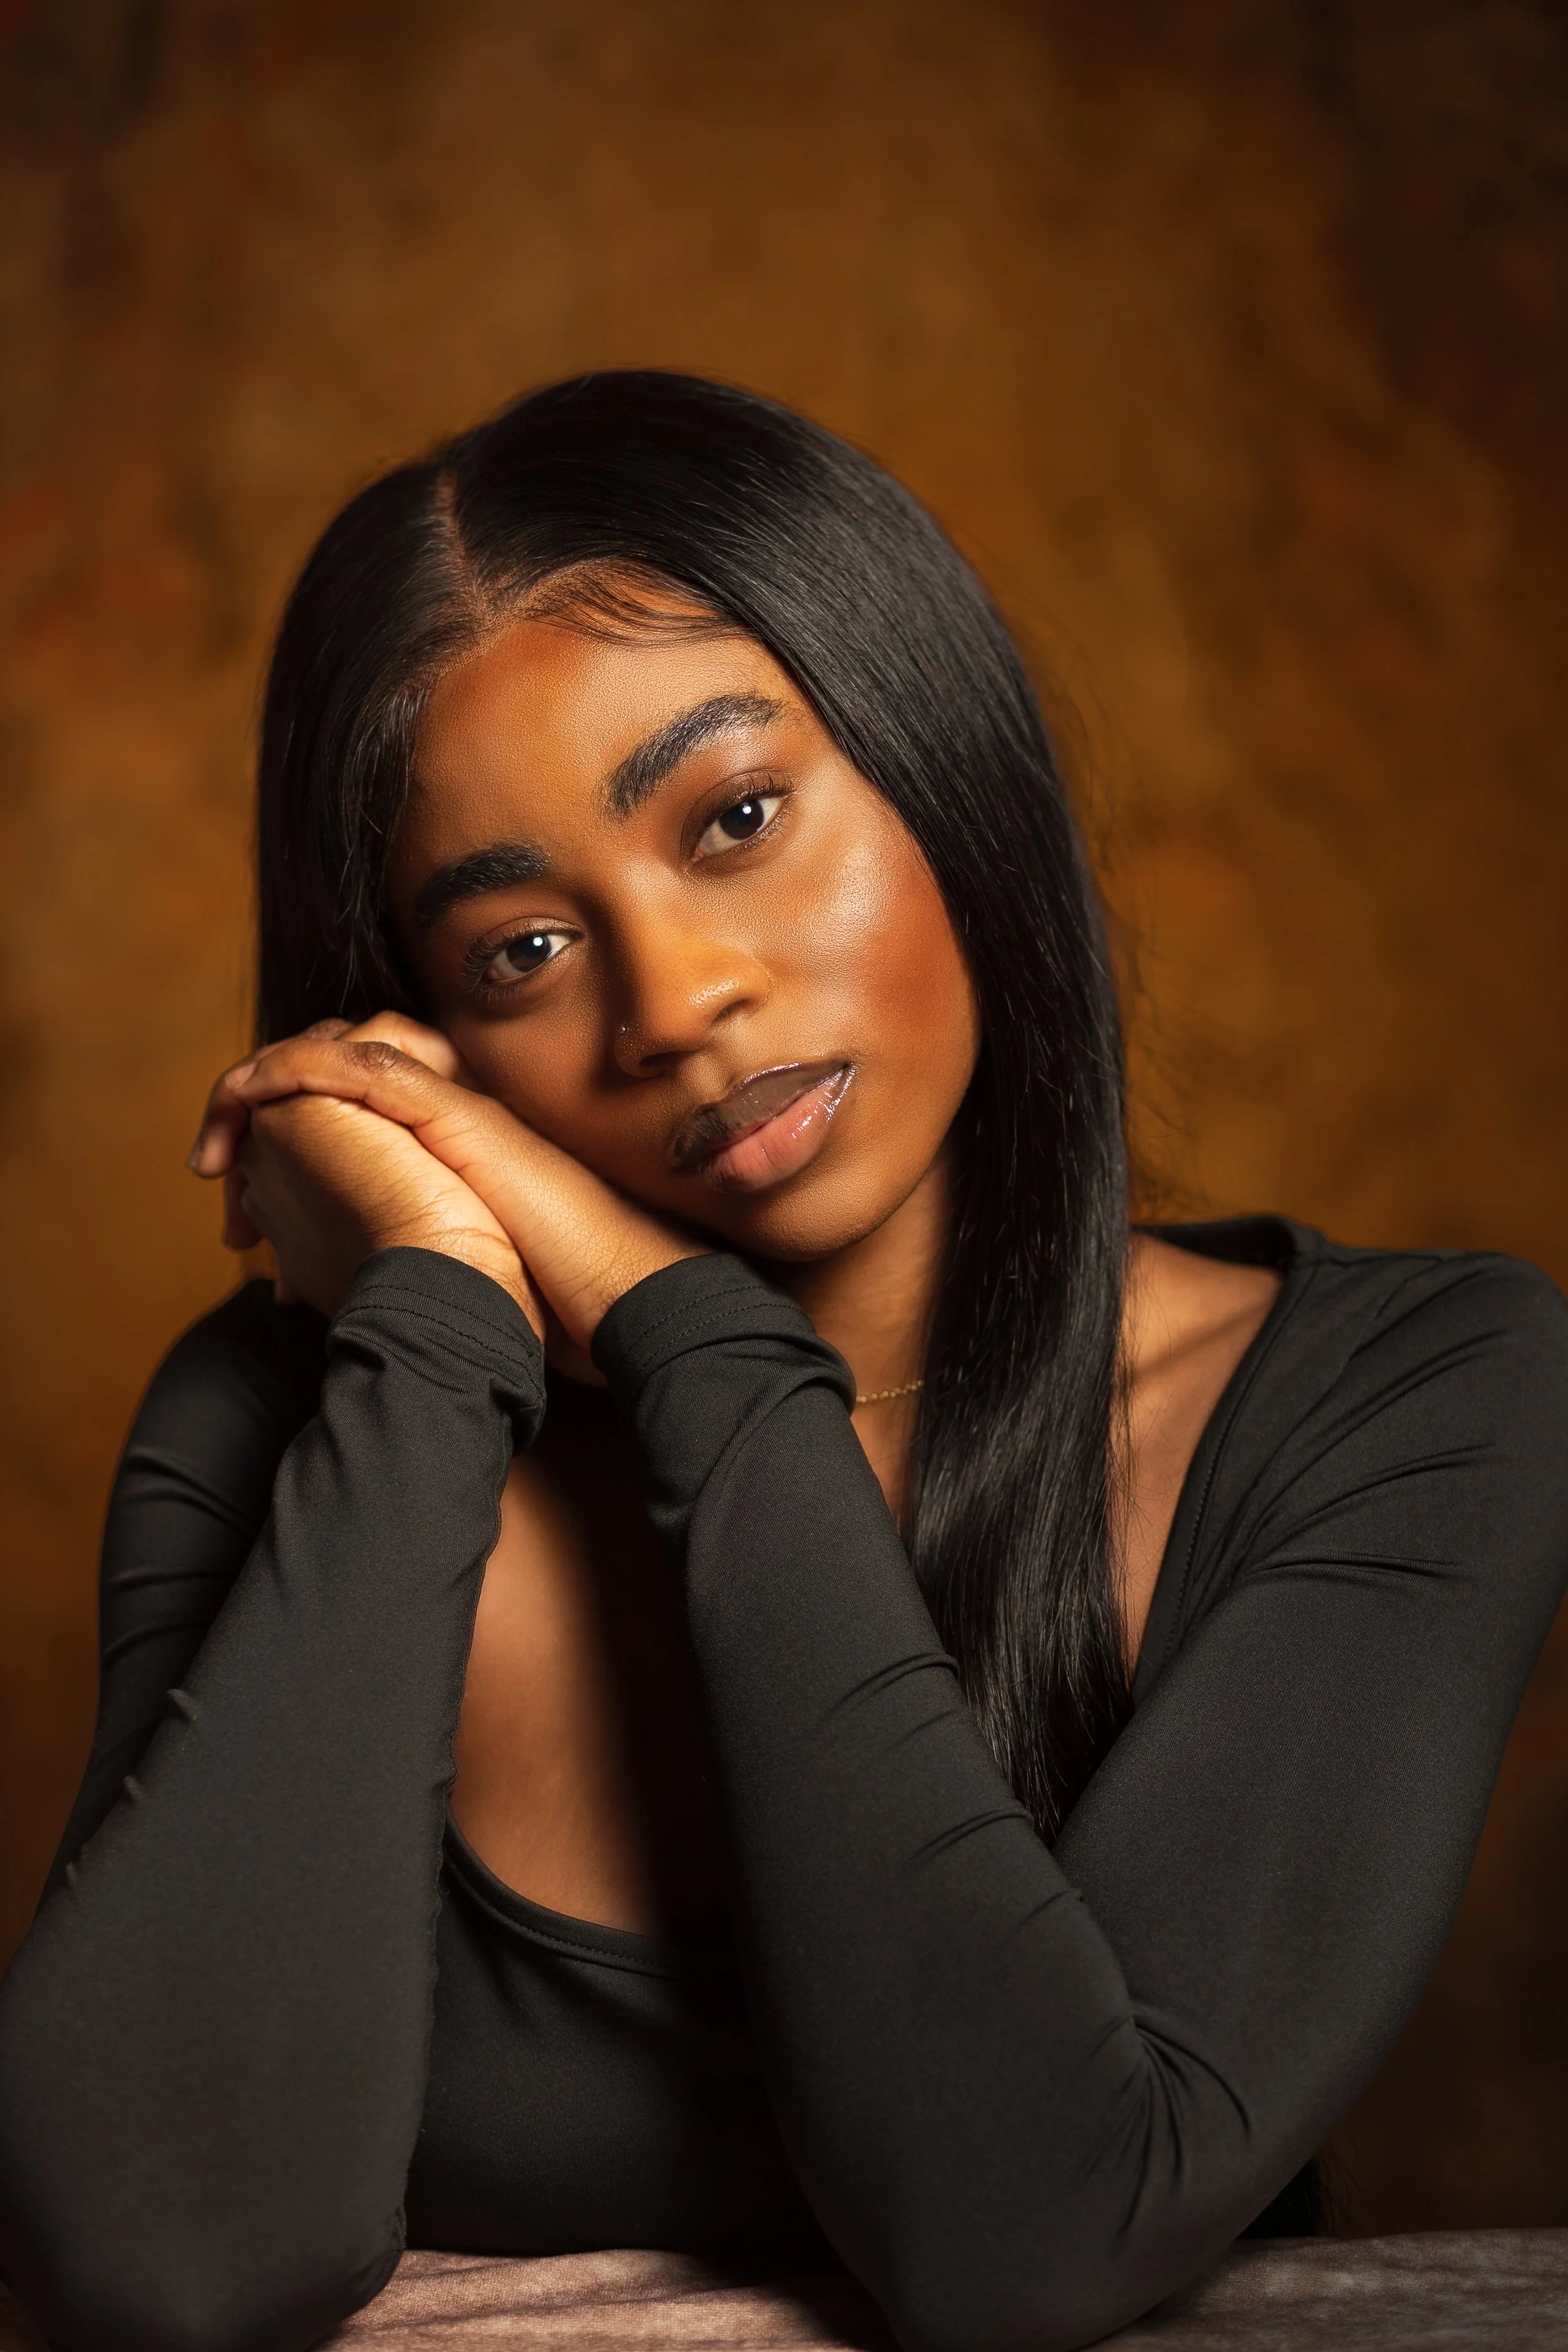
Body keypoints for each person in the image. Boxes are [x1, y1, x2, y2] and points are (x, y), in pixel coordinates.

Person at [1, 372, 1565, 2352]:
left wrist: (698, 1349)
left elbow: (1030, 2227)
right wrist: (435, 1335)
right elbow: (161, 2259)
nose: (674, 1002)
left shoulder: (1413, 1390)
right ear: (414, 1029)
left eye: (736, 819)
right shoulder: (298, 1419)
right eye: (521, 953)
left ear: (940, 755)